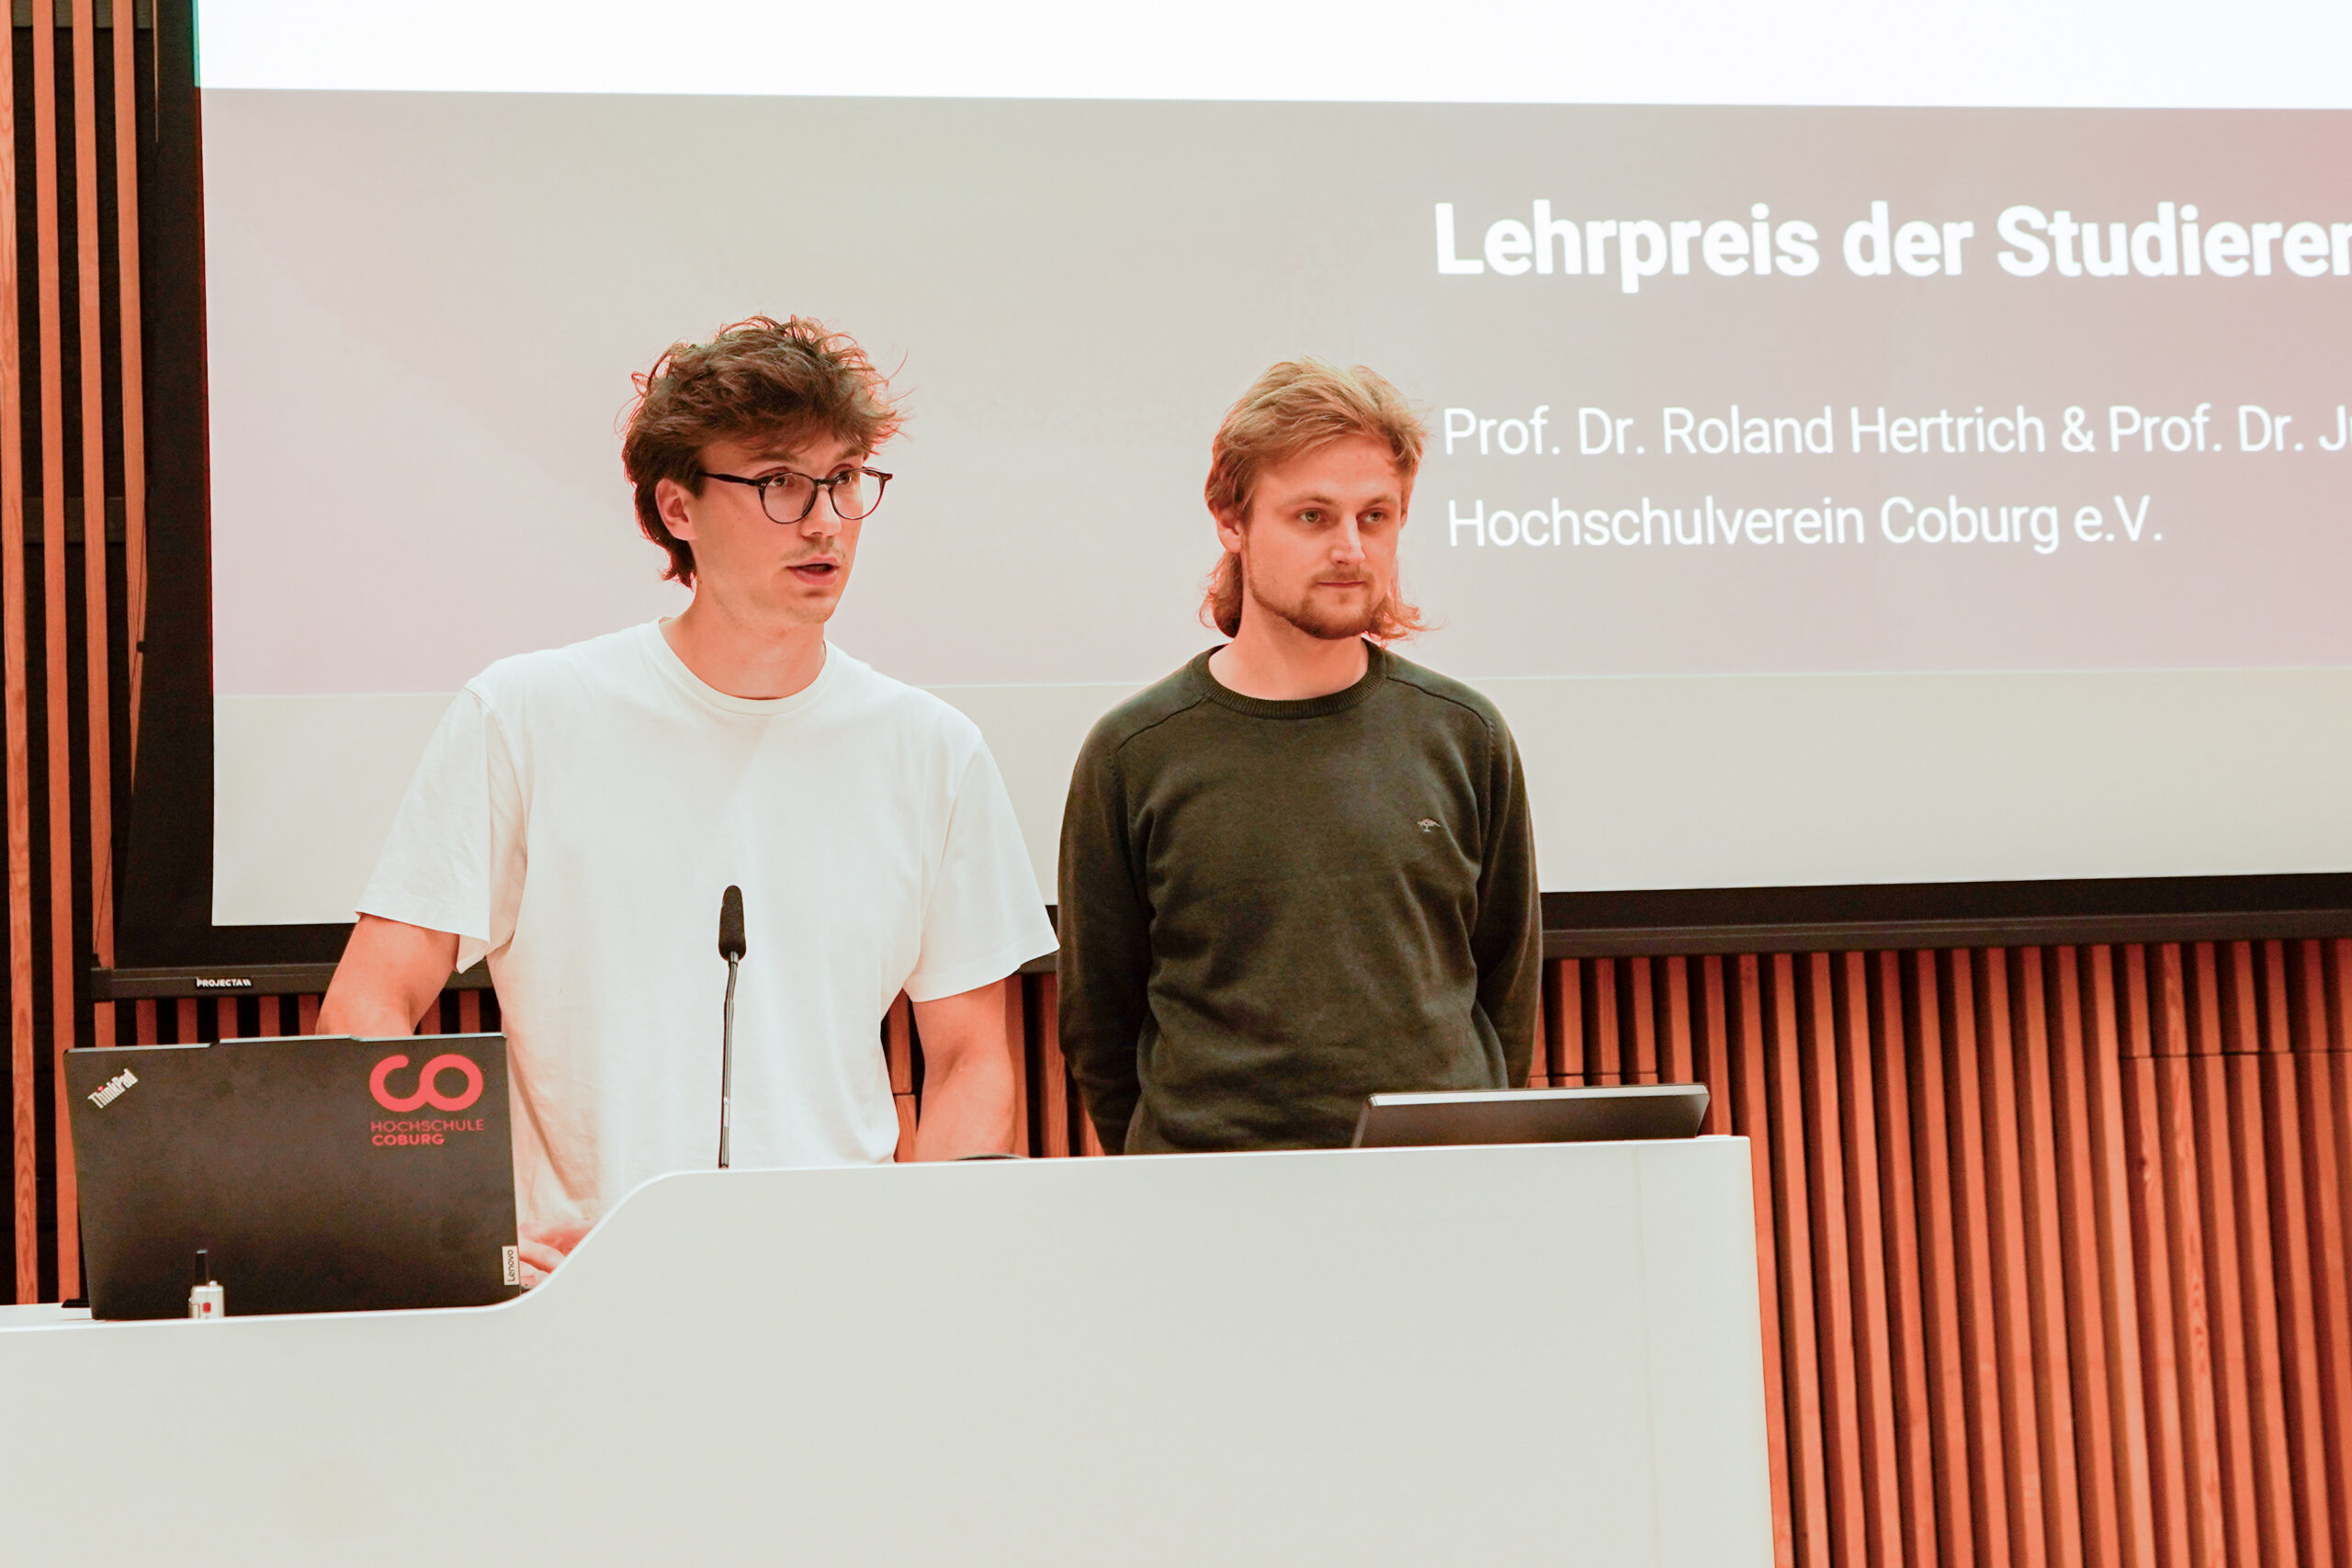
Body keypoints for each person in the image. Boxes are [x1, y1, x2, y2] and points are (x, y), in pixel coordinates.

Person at [320, 316, 1055, 1280]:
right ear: (678, 507)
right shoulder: (528, 714)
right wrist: (444, 1236)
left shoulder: (932, 751)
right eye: (780, 482)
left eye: (844, 479)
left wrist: (918, 1258)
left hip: (839, 1284)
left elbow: (968, 1058)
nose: (826, 521)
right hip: (578, 1292)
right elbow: (371, 1002)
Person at [1057, 358, 1541, 1154]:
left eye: (1375, 516)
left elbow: (1506, 995)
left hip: (1435, 1183)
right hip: (1211, 1193)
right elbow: (1100, 1026)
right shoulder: (1134, 753)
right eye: (1312, 516)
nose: (1350, 548)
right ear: (1231, 518)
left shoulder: (1466, 735)